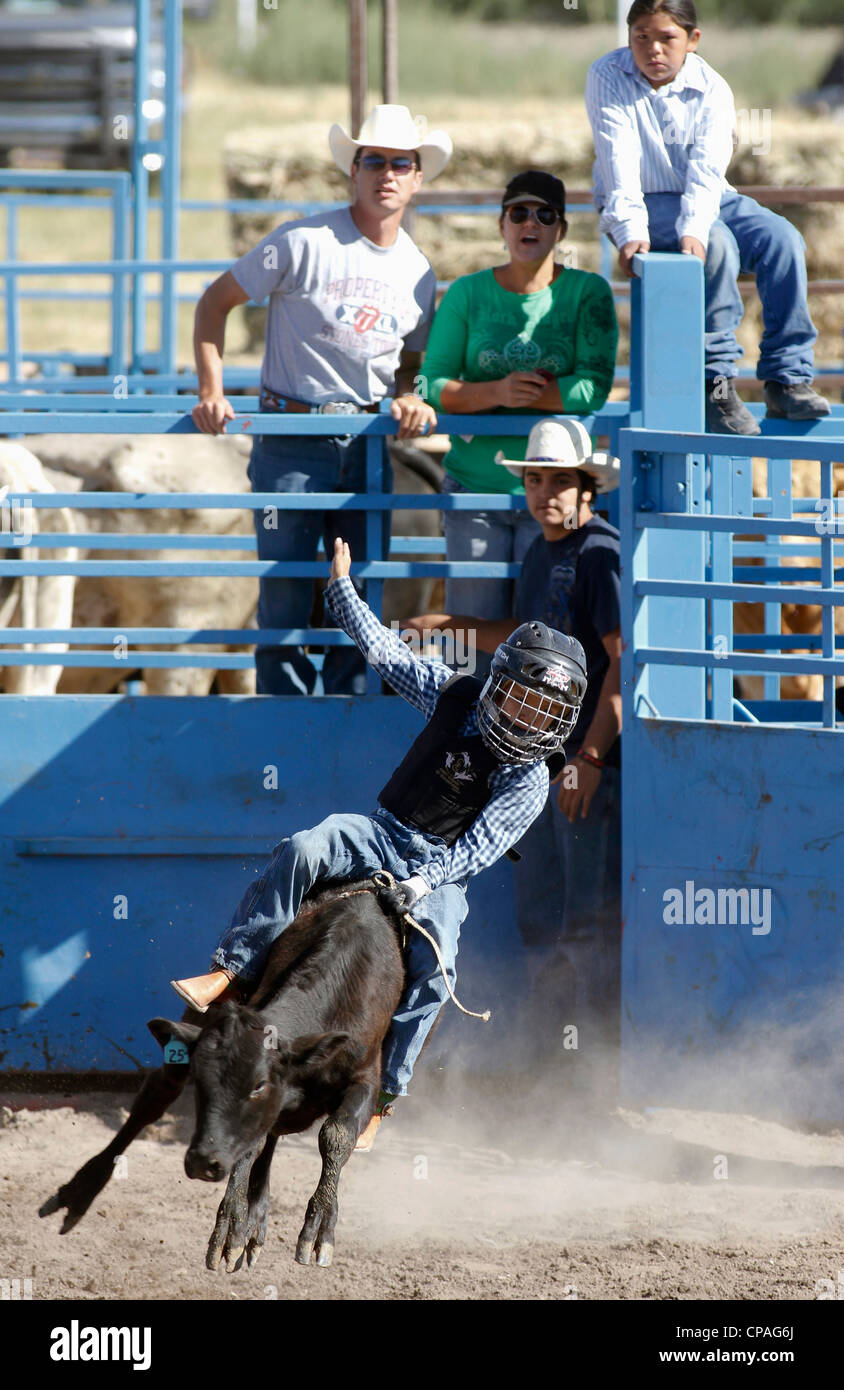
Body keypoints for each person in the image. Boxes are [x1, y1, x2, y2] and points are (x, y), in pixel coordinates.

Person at [170, 537, 587, 1150]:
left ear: (558, 721)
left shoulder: (529, 779)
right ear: (499, 685)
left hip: (439, 872)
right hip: (379, 831)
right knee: (306, 848)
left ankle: (387, 1092)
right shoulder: (457, 696)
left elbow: (482, 846)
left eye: (543, 710)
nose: (527, 717)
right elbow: (390, 655)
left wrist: (424, 883)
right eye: (522, 697)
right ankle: (229, 972)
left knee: (436, 972)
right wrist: (341, 590)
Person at [191, 105, 450, 694]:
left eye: (400, 163)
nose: (387, 174)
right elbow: (214, 302)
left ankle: (344, 721)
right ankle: (284, 728)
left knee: (360, 593)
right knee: (283, 591)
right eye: (375, 161)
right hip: (291, 437)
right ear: (353, 171)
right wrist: (211, 391)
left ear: (416, 177)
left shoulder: (418, 272)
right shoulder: (304, 241)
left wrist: (414, 398)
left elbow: (412, 366)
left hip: (365, 443)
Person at [403, 417, 621, 1084]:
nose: (545, 491)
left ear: (587, 486)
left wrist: (588, 758)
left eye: (559, 480)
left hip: (581, 766)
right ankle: (551, 1060)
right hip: (539, 766)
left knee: (585, 919)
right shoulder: (542, 553)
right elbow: (527, 636)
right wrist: (453, 626)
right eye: (534, 478)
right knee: (542, 914)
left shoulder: (599, 556)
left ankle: (593, 1068)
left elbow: (621, 660)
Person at [585, 0, 829, 436]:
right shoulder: (607, 76)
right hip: (643, 197)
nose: (653, 49)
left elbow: (706, 170)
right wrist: (629, 231)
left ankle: (787, 376)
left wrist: (693, 227)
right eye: (641, 37)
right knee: (716, 245)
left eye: (667, 38)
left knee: (782, 239)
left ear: (693, 41)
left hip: (706, 195)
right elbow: (617, 157)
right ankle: (715, 384)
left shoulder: (713, 89)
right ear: (629, 38)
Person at [419, 170, 618, 672]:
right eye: (519, 212)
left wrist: (516, 396)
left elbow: (593, 385)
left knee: (549, 633)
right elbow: (431, 385)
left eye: (545, 214)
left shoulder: (588, 293)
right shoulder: (467, 294)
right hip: (476, 491)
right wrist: (504, 391)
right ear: (502, 224)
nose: (531, 222)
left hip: (554, 492)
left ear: (561, 231)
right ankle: (465, 734)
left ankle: (542, 740)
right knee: (471, 632)